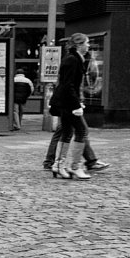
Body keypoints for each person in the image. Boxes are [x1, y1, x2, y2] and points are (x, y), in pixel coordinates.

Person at [48, 33, 92, 180]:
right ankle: (75, 166)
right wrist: (76, 105)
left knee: (67, 132)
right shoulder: (73, 60)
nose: (89, 45)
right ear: (79, 45)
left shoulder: (74, 59)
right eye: (87, 43)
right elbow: (69, 85)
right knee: (81, 130)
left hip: (65, 102)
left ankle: (58, 165)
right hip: (67, 103)